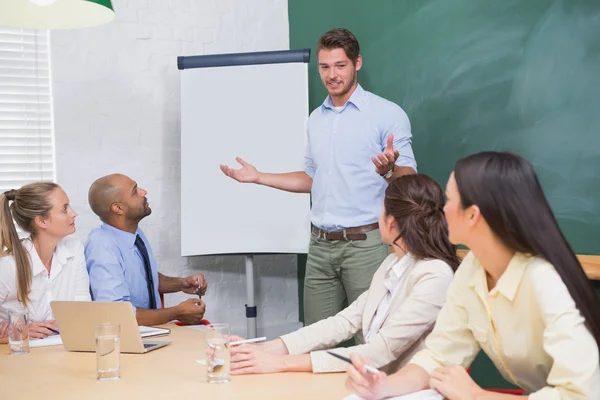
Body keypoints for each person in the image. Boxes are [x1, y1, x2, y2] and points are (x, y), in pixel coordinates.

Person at [345, 152, 600, 400]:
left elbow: (582, 395)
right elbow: (438, 355)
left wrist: (477, 396)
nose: (441, 212)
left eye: (448, 200)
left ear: (472, 215)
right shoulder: (473, 269)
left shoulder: (545, 281)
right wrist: (382, 387)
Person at [220, 28, 417, 326]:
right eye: (325, 67)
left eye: (340, 66)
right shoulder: (316, 119)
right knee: (314, 338)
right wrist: (260, 177)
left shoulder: (387, 114)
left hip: (366, 246)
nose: (332, 75)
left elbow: (410, 179)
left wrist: (389, 169)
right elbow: (313, 178)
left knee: (372, 337)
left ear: (357, 63)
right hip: (320, 247)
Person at [228, 175, 459, 375]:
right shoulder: (392, 264)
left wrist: (281, 363)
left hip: (408, 391)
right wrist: (266, 349)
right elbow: (344, 322)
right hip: (372, 384)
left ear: (390, 222)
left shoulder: (434, 276)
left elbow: (379, 352)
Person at [85, 174, 208, 326]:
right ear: (118, 208)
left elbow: (144, 278)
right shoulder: (101, 246)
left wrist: (181, 284)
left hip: (153, 334)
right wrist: (175, 313)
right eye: (135, 191)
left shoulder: (135, 234)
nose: (143, 192)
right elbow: (116, 313)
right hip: (127, 342)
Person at [0, 183, 91, 343]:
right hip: (18, 359)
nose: (74, 214)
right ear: (42, 221)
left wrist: (71, 321)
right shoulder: (9, 265)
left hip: (62, 351)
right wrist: (19, 331)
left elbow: (83, 308)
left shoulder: (73, 248)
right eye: (64, 209)